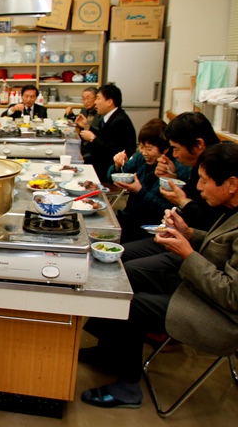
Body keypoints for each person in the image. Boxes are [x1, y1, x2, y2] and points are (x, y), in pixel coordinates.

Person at [80, 143, 238, 409]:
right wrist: (189, 234)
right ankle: (108, 352)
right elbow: (217, 246)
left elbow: (232, 296)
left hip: (220, 315)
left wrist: (188, 253)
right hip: (198, 287)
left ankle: (129, 389)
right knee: (122, 275)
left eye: (204, 181)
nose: (198, 188)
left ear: (231, 184)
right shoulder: (231, 209)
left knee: (128, 302)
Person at [122, 112, 226, 262]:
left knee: (129, 265)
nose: (175, 155)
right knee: (123, 254)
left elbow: (211, 223)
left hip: (198, 248)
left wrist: (182, 202)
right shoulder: (199, 164)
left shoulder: (220, 167)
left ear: (198, 144)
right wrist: (173, 178)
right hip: (179, 233)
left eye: (176, 148)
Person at [108, 118, 190, 243]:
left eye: (149, 149)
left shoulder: (177, 169)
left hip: (154, 230)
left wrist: (140, 191)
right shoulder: (141, 158)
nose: (144, 152)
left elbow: (166, 208)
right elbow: (113, 177)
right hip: (131, 220)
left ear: (165, 149)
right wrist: (117, 166)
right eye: (141, 147)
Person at [75, 84, 137, 182]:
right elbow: (103, 136)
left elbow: (112, 150)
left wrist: (92, 138)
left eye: (98, 99)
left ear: (109, 102)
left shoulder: (120, 121)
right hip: (100, 161)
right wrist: (87, 127)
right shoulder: (109, 116)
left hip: (109, 168)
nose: (95, 103)